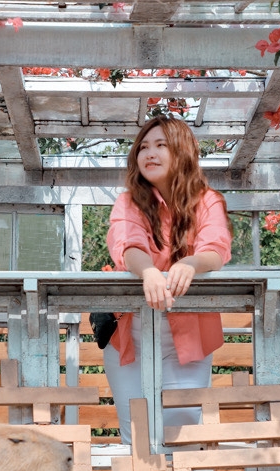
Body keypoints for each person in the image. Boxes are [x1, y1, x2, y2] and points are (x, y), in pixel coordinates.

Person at [103, 114, 233, 450]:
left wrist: (191, 263)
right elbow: (127, 245)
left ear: (182, 152)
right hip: (130, 334)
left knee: (183, 434)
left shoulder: (208, 200)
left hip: (188, 335)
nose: (149, 152)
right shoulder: (128, 200)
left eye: (161, 145)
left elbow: (216, 248)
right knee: (138, 440)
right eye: (144, 146)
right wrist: (148, 272)